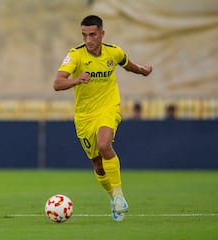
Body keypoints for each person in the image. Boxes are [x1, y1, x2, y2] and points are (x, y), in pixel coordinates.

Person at [53, 15, 152, 221]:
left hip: (108, 107)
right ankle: (113, 200)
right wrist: (77, 80)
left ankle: (118, 195)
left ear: (101, 34)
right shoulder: (75, 55)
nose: (88, 40)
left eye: (92, 35)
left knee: (104, 144)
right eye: (84, 35)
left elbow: (128, 64)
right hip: (84, 116)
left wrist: (143, 71)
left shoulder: (113, 52)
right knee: (98, 164)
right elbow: (57, 83)